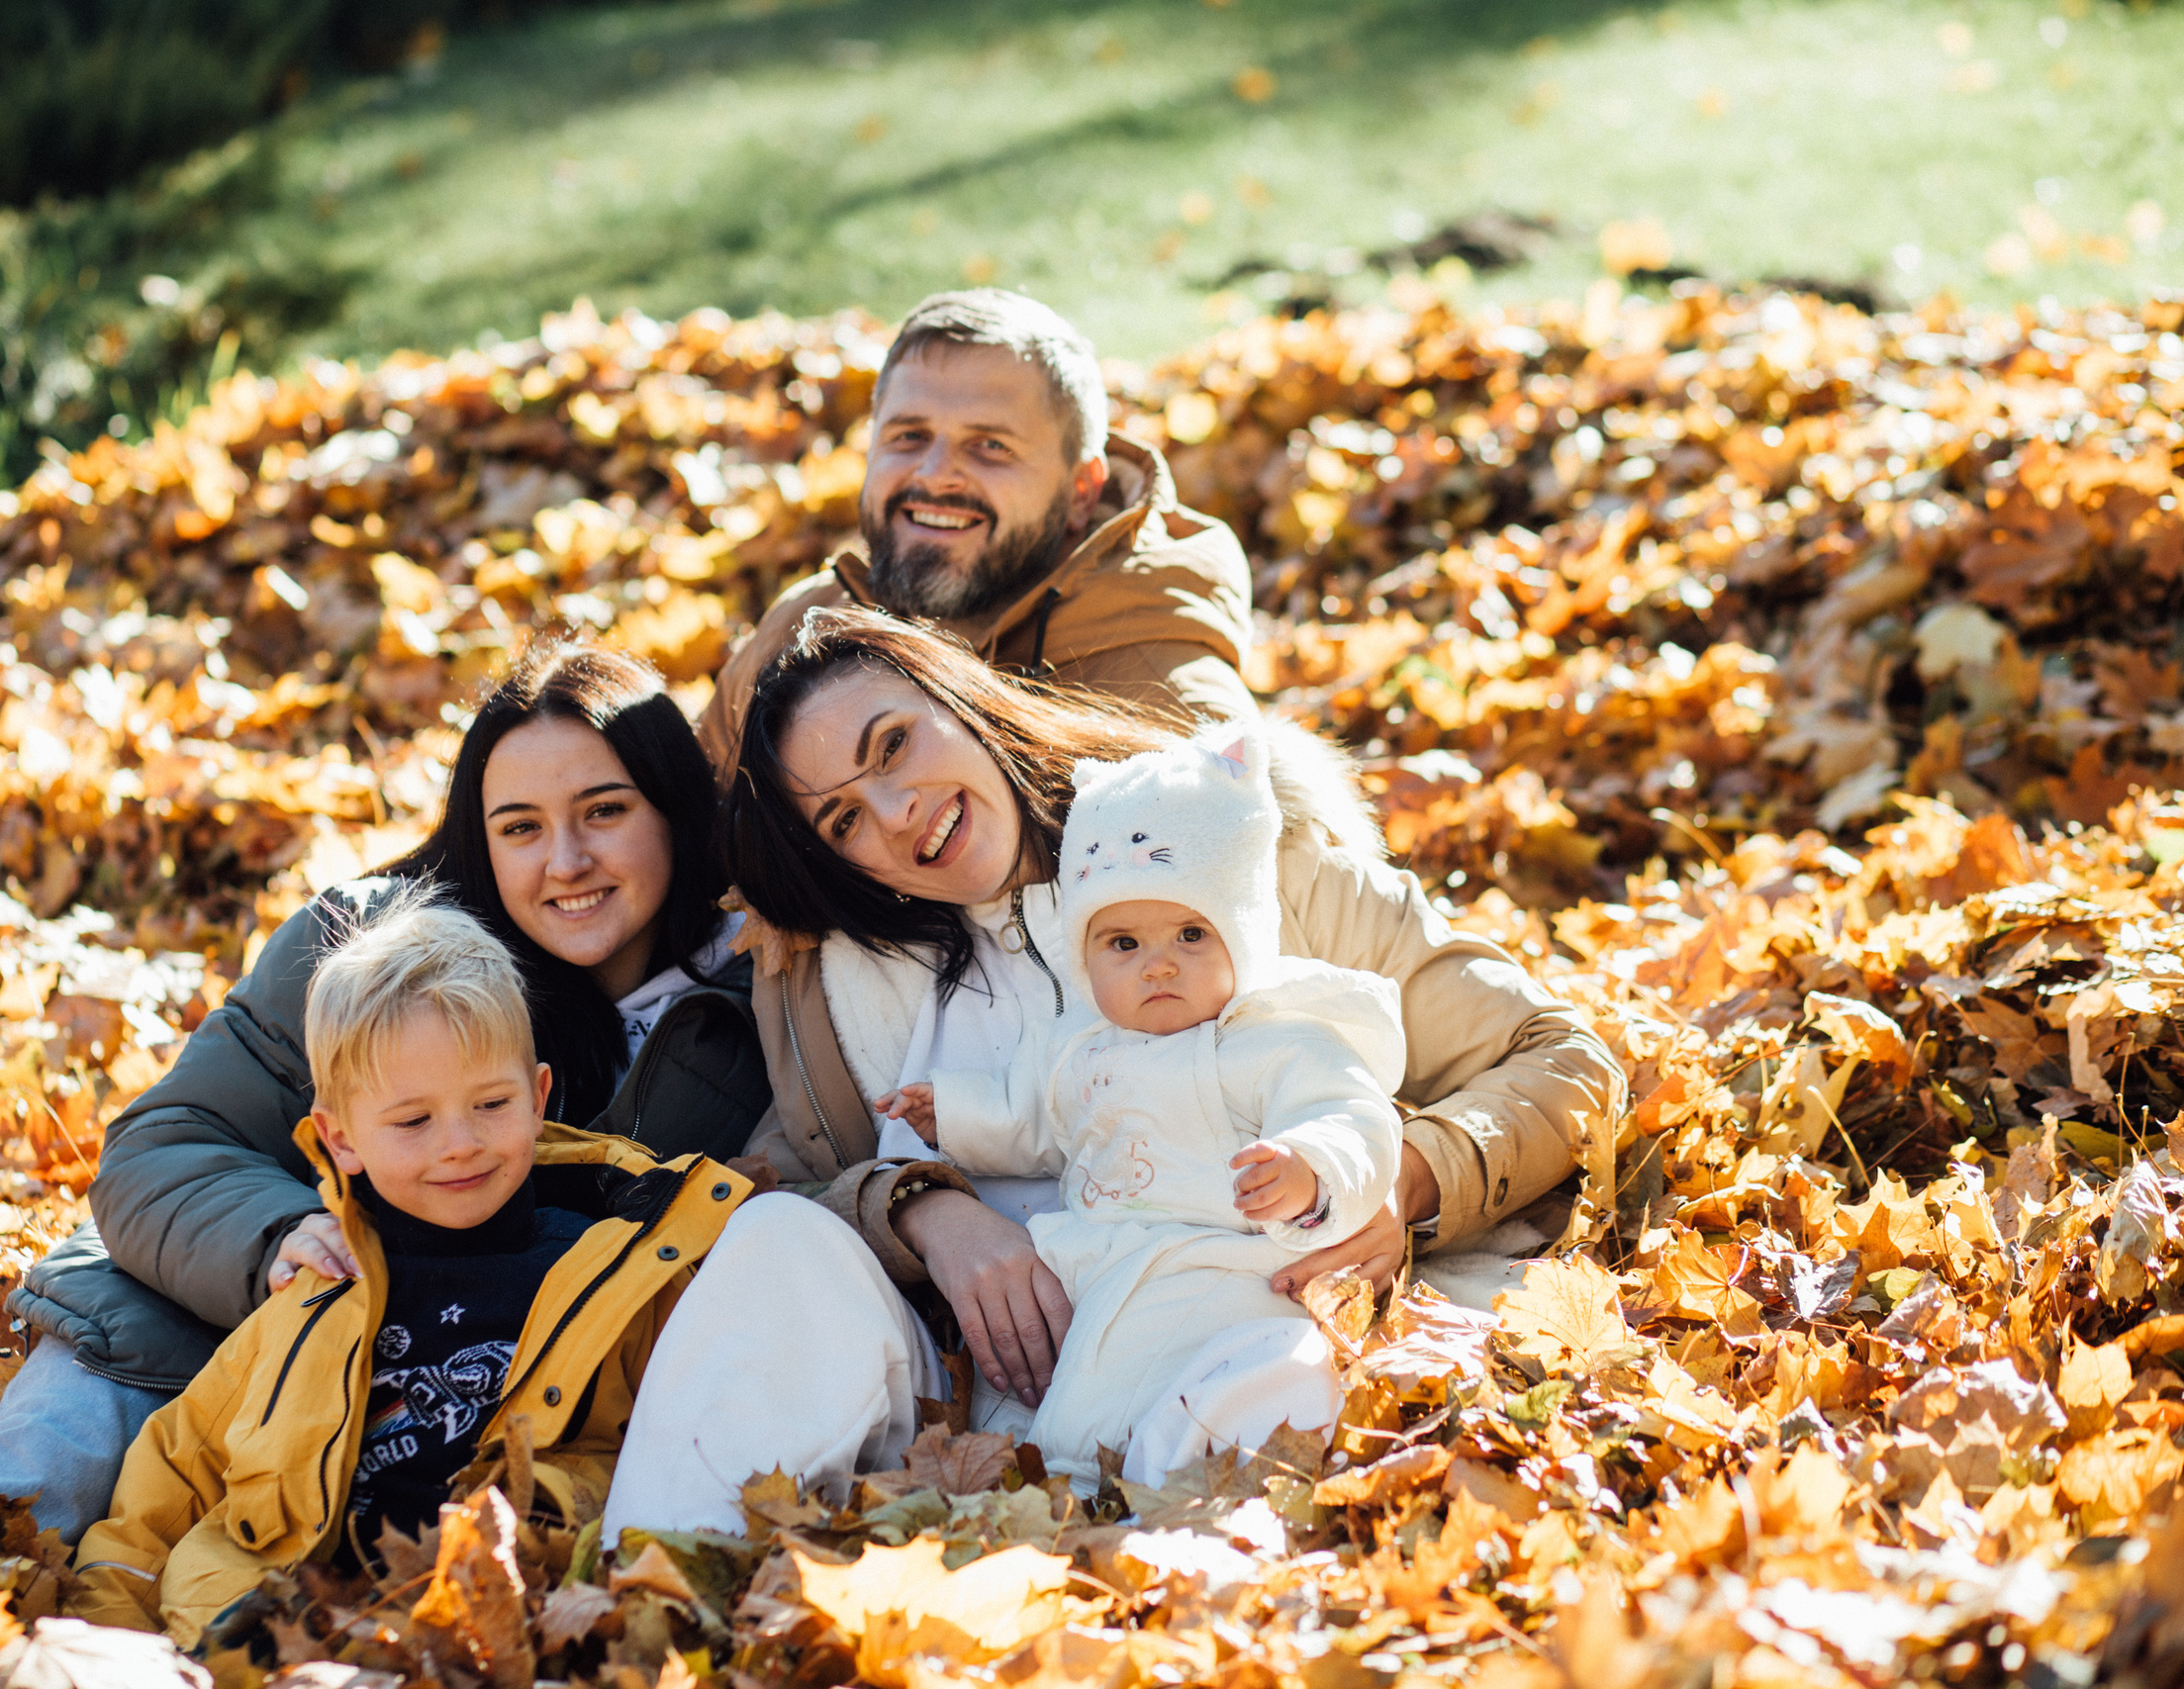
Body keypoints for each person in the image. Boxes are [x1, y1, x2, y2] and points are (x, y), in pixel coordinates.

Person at [597, 610, 1625, 1535]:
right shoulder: (843, 990)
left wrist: (1404, 1179)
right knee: (773, 1239)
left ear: (965, 700)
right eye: (845, 819)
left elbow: (1562, 1058)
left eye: (896, 744)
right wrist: (918, 1210)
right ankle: (653, 1597)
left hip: (1230, 1327)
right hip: (974, 1406)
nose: (900, 811)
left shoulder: (1233, 863)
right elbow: (793, 1178)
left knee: (1266, 1397)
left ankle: (1165, 1597)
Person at [0, 644, 774, 1540]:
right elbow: (161, 1148)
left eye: (605, 810)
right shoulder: (370, 952)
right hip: (225, 1328)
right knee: (18, 1495)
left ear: (675, 807)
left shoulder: (765, 979)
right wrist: (278, 1236)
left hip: (513, 1400)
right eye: (520, 827)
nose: (567, 860)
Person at [70, 893, 747, 1645]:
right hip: (273, 1628)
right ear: (340, 1137)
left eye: (491, 1103)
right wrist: (114, 1625)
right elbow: (176, 1466)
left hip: (494, 1620)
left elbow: (651, 1448)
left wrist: (553, 1503)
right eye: (414, 1120)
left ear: (538, 1097)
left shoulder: (606, 1270)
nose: (459, 1143)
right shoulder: (320, 1288)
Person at [876, 725, 1409, 1486]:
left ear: (1244, 936)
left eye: (1192, 933)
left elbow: (1350, 1114)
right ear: (1086, 957)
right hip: (1112, 1274)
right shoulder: (1079, 1050)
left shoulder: (1275, 1037)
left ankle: (1191, 1462)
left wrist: (1311, 1170)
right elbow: (1028, 1117)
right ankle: (1099, 1488)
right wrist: (953, 1112)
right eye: (1122, 943)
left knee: (1265, 1369)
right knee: (1092, 1399)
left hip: (1238, 1271)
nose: (1158, 962)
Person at [697, 288, 1255, 772]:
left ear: (1080, 491)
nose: (935, 475)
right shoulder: (804, 628)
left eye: (990, 446)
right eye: (909, 436)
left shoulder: (1159, 698)